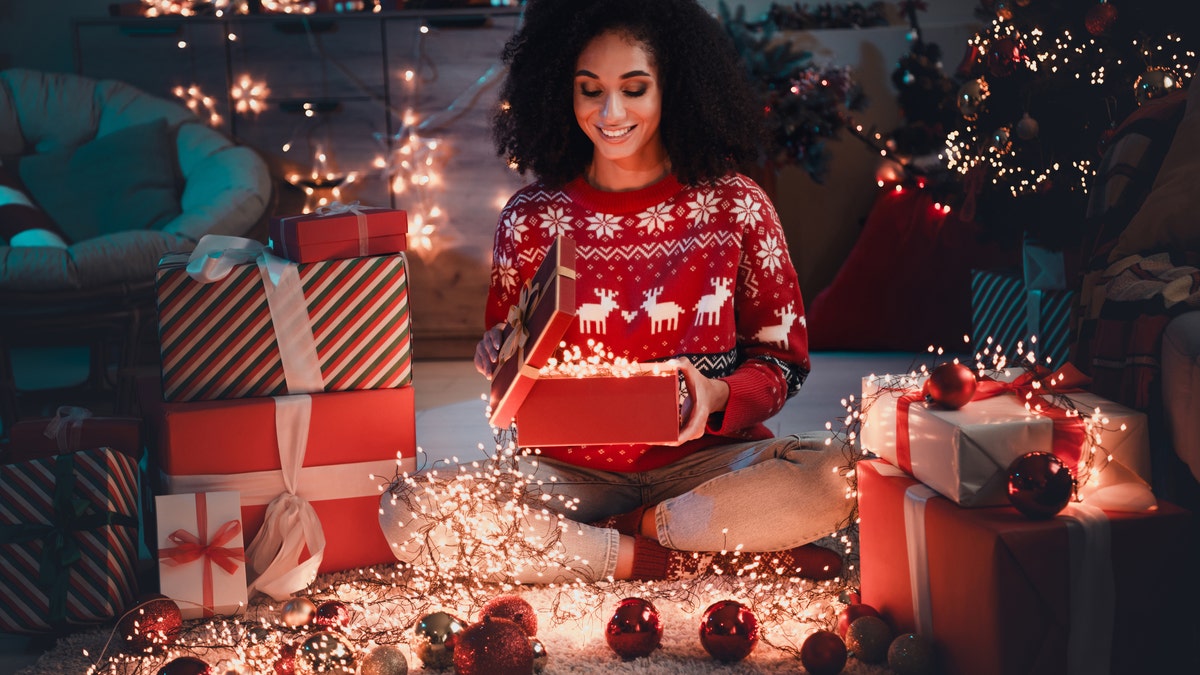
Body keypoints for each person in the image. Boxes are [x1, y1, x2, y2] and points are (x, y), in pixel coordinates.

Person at [381, 0, 851, 583]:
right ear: (560, 92)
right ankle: (678, 556)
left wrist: (716, 395)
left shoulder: (737, 205)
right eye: (589, 89)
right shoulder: (530, 218)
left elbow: (784, 362)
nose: (610, 112)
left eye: (634, 89)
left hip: (706, 466)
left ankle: (623, 537)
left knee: (833, 471)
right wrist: (496, 352)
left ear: (672, 90)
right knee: (408, 511)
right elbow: (510, 351)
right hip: (572, 478)